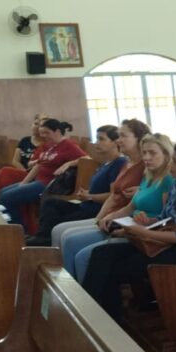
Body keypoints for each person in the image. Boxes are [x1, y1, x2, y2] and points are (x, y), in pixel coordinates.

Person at [82, 141, 176, 323]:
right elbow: (165, 217)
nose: (171, 165)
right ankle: (90, 313)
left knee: (114, 271)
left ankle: (106, 321)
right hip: (165, 239)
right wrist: (148, 223)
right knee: (101, 253)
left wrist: (145, 233)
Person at [64, 132, 174, 282]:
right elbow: (130, 207)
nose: (147, 157)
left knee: (84, 256)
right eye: (144, 153)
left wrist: (128, 230)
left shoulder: (168, 180)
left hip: (145, 237)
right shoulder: (149, 175)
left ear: (166, 154)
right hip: (131, 226)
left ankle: (86, 301)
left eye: (152, 153)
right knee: (72, 242)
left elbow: (166, 220)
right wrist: (110, 216)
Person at [55, 119, 150, 278]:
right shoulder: (127, 163)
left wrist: (106, 218)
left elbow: (139, 204)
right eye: (118, 136)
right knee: (59, 230)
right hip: (111, 217)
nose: (118, 140)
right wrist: (98, 219)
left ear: (139, 138)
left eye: (123, 136)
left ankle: (75, 293)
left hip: (124, 222)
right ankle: (64, 285)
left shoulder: (147, 165)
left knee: (70, 240)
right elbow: (113, 196)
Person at [26, 125, 128, 246]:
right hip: (86, 204)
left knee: (59, 222)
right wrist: (85, 194)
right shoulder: (106, 163)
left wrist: (89, 196)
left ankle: (45, 243)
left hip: (96, 210)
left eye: (101, 139)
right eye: (96, 139)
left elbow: (113, 196)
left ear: (114, 142)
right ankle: (42, 238)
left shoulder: (119, 163)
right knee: (50, 202)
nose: (96, 143)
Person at [0, 118, 85, 229]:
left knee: (7, 197)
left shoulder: (68, 145)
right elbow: (38, 165)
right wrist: (24, 183)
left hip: (50, 185)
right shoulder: (50, 146)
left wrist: (68, 163)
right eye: (42, 133)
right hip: (39, 181)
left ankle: (19, 231)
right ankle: (13, 227)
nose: (43, 136)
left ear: (57, 132)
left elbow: (87, 159)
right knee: (2, 192)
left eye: (46, 133)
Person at [0, 113, 48, 203]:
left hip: (34, 176)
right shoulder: (25, 140)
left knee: (5, 172)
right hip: (22, 171)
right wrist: (23, 171)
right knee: (5, 174)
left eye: (40, 126)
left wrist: (28, 174)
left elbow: (40, 165)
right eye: (35, 124)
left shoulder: (46, 144)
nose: (36, 127)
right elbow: (15, 161)